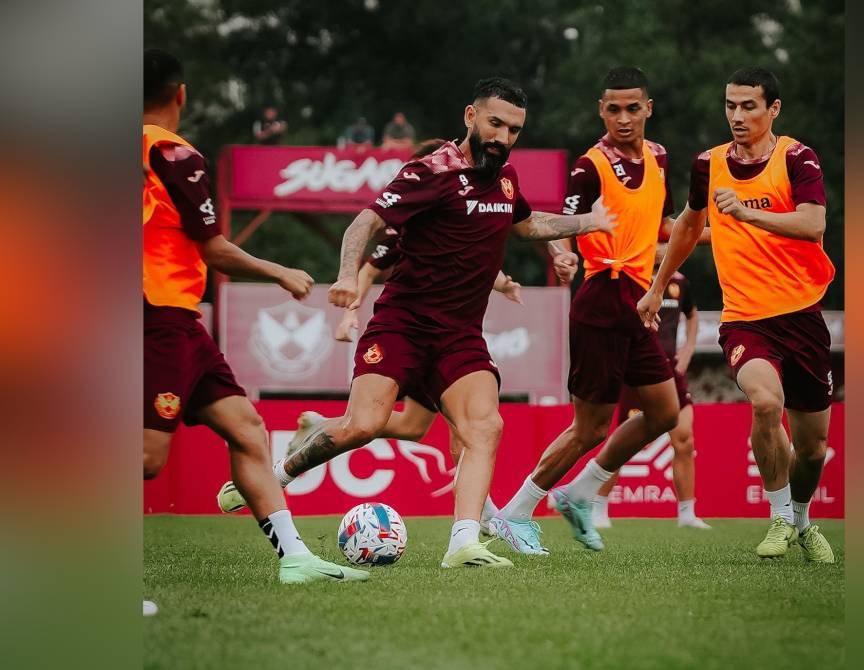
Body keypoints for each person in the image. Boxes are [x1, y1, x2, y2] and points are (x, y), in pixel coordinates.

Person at [231, 77, 615, 570]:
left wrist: (587, 223)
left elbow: (526, 225)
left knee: (486, 426)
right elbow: (363, 222)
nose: (503, 136)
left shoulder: (506, 178)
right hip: (402, 325)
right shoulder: (429, 172)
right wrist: (348, 275)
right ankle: (277, 474)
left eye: (514, 129)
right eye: (495, 123)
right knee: (363, 425)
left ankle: (463, 543)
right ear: (470, 116)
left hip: (459, 335)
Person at [143, 48, 368, 588]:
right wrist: (279, 271)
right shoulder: (175, 155)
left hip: (178, 320)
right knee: (147, 459)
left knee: (246, 428)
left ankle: (295, 558)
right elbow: (216, 249)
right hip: (159, 314)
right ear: (181, 95)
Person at [216, 141, 527, 529]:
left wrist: (503, 283)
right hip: (411, 335)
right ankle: (482, 516)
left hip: (448, 338)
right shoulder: (405, 226)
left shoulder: (458, 215)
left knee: (416, 427)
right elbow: (367, 270)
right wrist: (349, 313)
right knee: (410, 425)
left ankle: (320, 427)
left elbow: (471, 258)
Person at [637, 66, 837, 563]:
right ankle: (777, 518)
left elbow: (813, 224)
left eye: (749, 105)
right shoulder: (708, 164)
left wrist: (748, 213)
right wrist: (656, 286)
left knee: (812, 449)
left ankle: (802, 520)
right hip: (745, 317)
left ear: (773, 109)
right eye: (730, 105)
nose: (737, 115)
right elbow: (686, 227)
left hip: (803, 315)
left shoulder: (797, 158)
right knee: (766, 403)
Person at [489, 66, 681, 555]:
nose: (622, 118)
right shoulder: (590, 164)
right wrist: (563, 252)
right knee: (590, 427)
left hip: (638, 301)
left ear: (648, 109)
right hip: (602, 297)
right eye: (613, 108)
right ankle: (515, 512)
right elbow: (567, 218)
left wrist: (714, 233)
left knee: (663, 411)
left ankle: (579, 492)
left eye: (632, 108)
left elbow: (663, 230)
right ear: (601, 109)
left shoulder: (660, 157)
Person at [593, 270, 712, 530]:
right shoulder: (631, 276)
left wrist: (688, 349)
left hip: (671, 369)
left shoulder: (681, 280)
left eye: (666, 241)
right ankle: (598, 508)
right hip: (637, 370)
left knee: (684, 440)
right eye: (657, 240)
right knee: (621, 444)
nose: (661, 248)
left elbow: (692, 315)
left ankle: (687, 514)